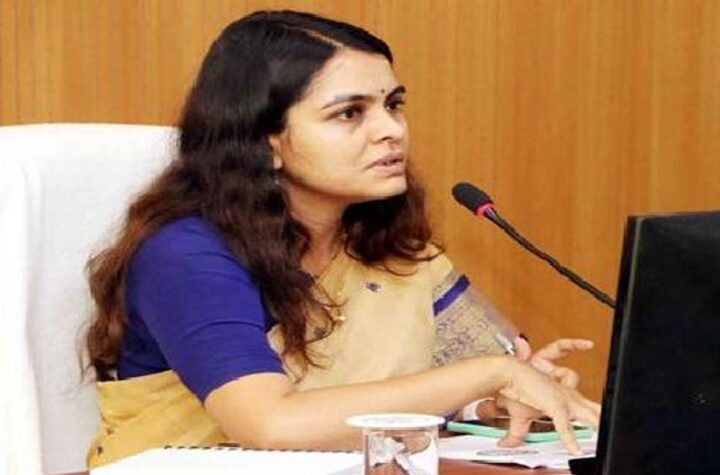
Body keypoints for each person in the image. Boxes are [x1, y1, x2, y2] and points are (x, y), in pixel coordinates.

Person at [84, 10, 599, 468]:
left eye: (393, 105)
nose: (391, 130)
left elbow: (438, 385)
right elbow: (269, 425)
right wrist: (493, 374)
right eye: (350, 113)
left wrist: (498, 401)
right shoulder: (187, 255)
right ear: (264, 141)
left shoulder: (393, 251)